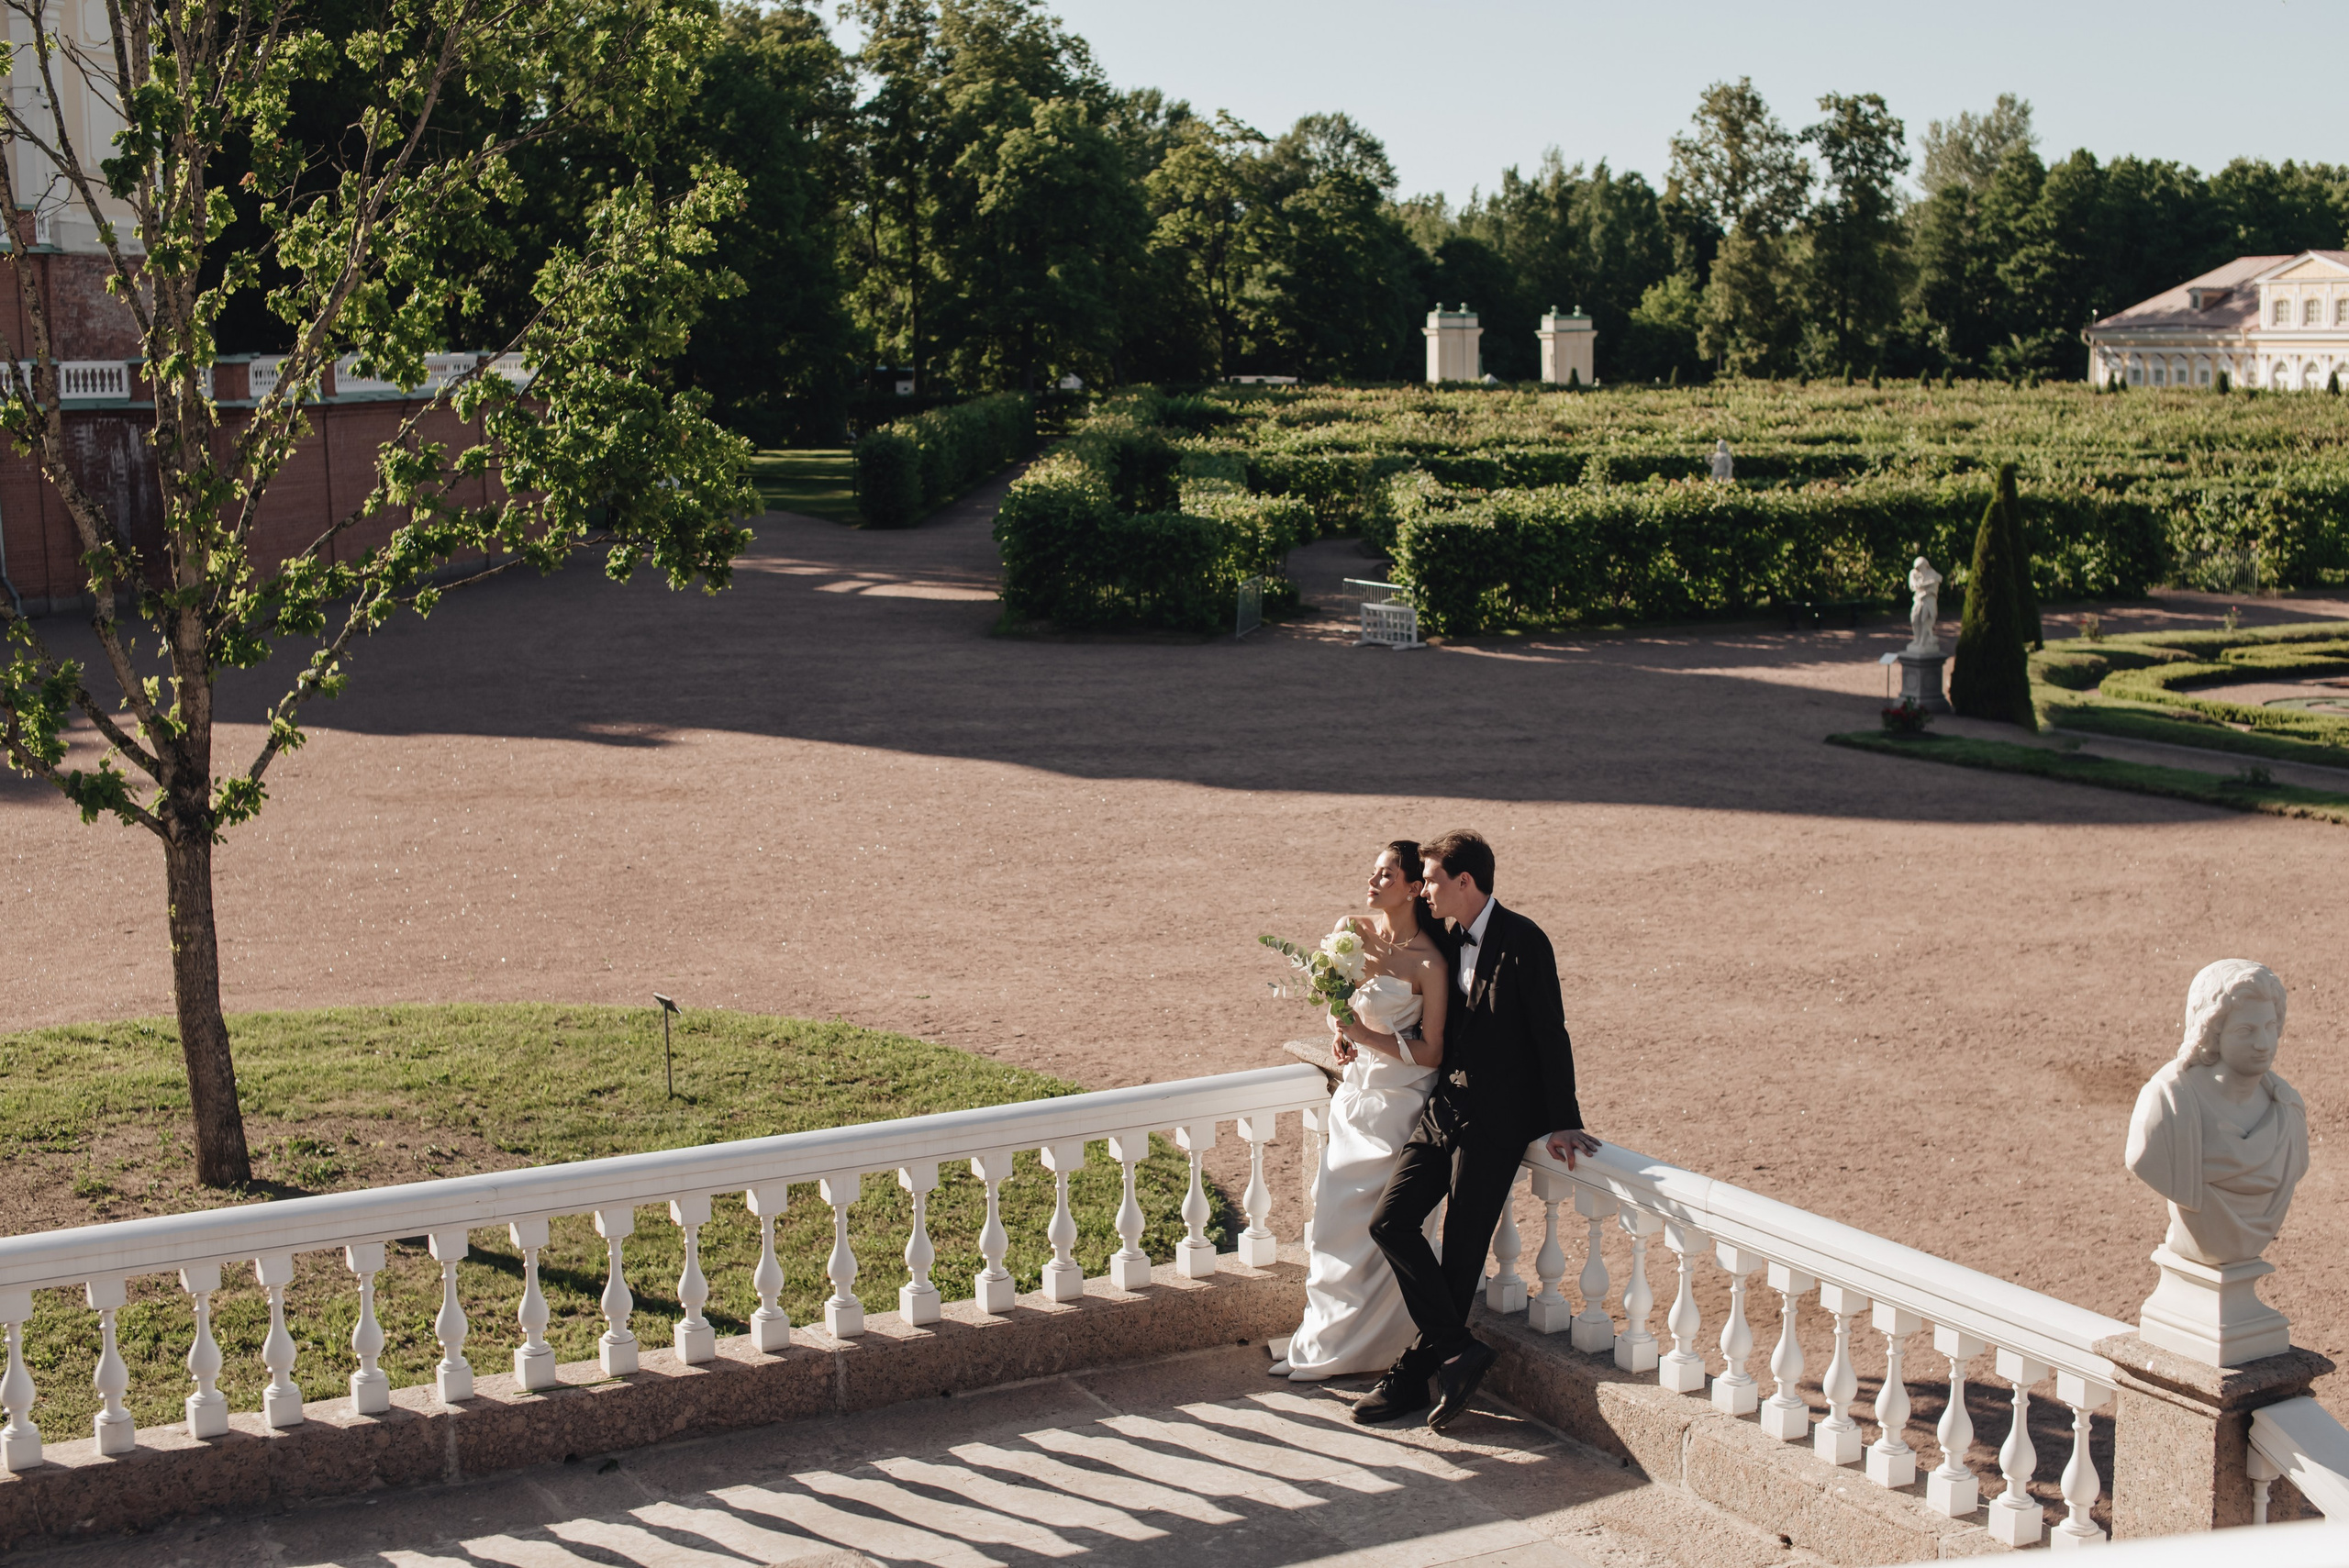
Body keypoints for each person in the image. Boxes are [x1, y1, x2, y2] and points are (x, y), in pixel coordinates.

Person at [1357, 829, 1598, 1429]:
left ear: (1466, 882)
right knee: (1389, 1221)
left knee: (1462, 1252)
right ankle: (1457, 1352)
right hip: (1444, 1107)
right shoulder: (1441, 931)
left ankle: (1416, 1374)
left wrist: (1563, 1119)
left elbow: (1550, 1033)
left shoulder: (1525, 941)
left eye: (1433, 879)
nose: (1425, 889)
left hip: (1496, 1122)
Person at [1273, 840, 1451, 1381]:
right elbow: (1336, 1001)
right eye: (1374, 872)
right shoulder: (1352, 929)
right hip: (1354, 1098)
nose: (1373, 882)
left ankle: (1371, 1349)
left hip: (1398, 1107)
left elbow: (1432, 1052)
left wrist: (1363, 1034)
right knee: (1331, 1225)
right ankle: (1321, 1341)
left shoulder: (1431, 964)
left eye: (1387, 875)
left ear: (1416, 888)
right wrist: (1338, 1033)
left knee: (1377, 1234)